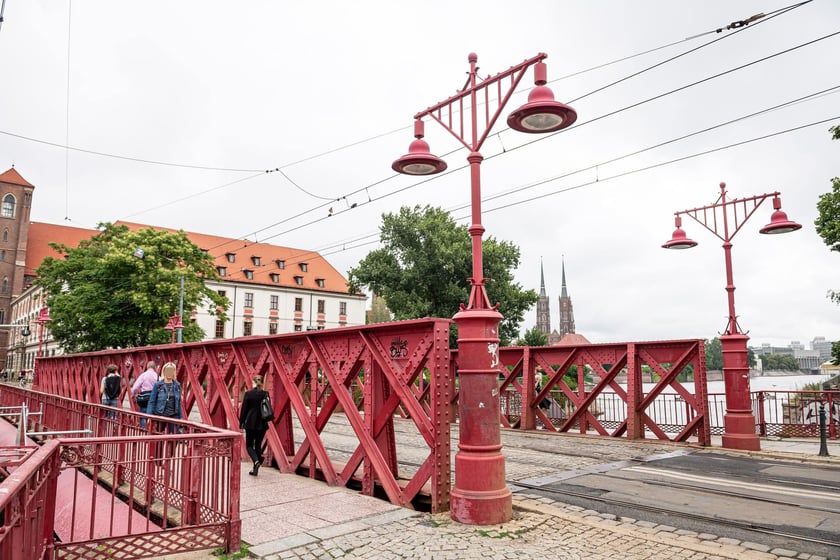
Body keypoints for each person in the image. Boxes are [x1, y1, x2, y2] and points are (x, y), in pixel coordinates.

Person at [239, 375, 270, 476]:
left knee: (249, 445)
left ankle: (256, 461)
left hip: (250, 423)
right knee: (258, 445)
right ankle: (256, 467)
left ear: (254, 382)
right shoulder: (265, 394)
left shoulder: (248, 394)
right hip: (262, 423)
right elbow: (268, 407)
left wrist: (241, 423)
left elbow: (244, 410)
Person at [146, 362, 182, 434]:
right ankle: (160, 445)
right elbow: (152, 401)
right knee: (158, 437)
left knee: (176, 436)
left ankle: (171, 445)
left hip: (173, 415)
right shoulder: (158, 385)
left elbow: (179, 402)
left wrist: (181, 418)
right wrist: (149, 416)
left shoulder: (177, 385)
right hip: (160, 414)